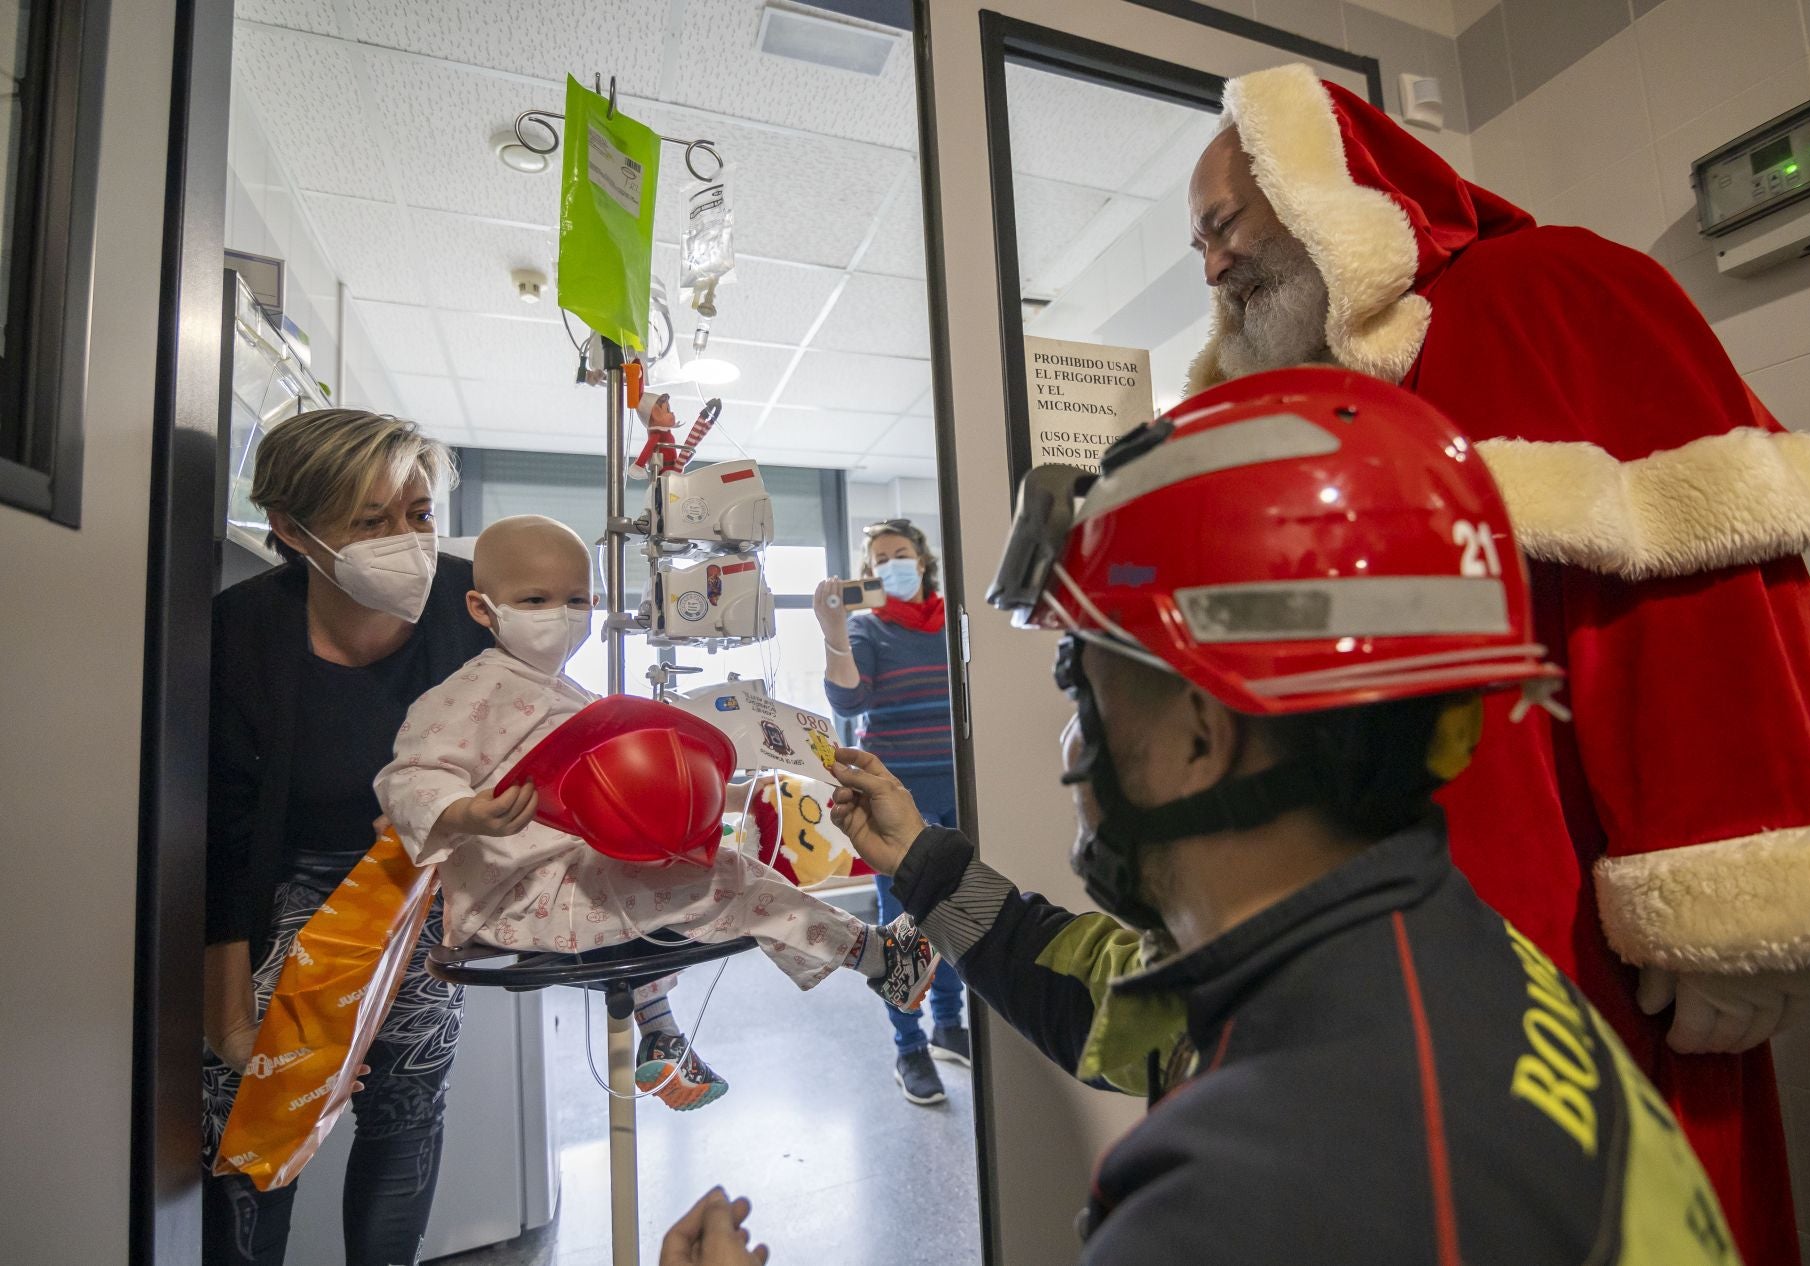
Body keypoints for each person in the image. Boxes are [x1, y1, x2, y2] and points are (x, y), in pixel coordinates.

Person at [665, 368, 1743, 1264]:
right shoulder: (1422, 957)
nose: (1071, 746)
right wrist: (924, 862)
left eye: (1086, 689)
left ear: (1200, 728)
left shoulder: (1257, 1194)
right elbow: (1103, 993)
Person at [1178, 65, 1810, 1264]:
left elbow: (1707, 590)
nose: (1210, 267)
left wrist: (1726, 901)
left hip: (1575, 950)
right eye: (1197, 245)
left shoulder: (1547, 290)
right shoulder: (1306, 431)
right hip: (1373, 977)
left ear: (1322, 185)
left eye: (1225, 223)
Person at [374, 515, 942, 1110]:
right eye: (535, 600)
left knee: (648, 879)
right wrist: (464, 812)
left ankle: (662, 1039)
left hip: (563, 878)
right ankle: (878, 956)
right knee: (728, 878)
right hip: (523, 897)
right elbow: (409, 778)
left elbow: (619, 787)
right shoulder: (467, 695)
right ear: (483, 609)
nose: (561, 615)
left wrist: (729, 795)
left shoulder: (568, 694)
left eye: (577, 600)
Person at [202, 410, 489, 1266]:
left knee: (405, 1110)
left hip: (423, 897)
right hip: (282, 901)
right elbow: (217, 840)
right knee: (254, 1127)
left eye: (420, 513)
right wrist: (228, 1025)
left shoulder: (472, 609)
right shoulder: (237, 637)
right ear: (290, 529)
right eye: (371, 521)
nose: (407, 540)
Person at [813, 518, 969, 1105]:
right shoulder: (868, 628)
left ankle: (950, 1025)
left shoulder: (953, 621)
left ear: (922, 560)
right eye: (878, 560)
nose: (889, 566)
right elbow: (851, 699)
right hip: (897, 795)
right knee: (905, 927)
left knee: (955, 910)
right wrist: (834, 631)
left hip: (961, 786)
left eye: (899, 554)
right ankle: (909, 1049)